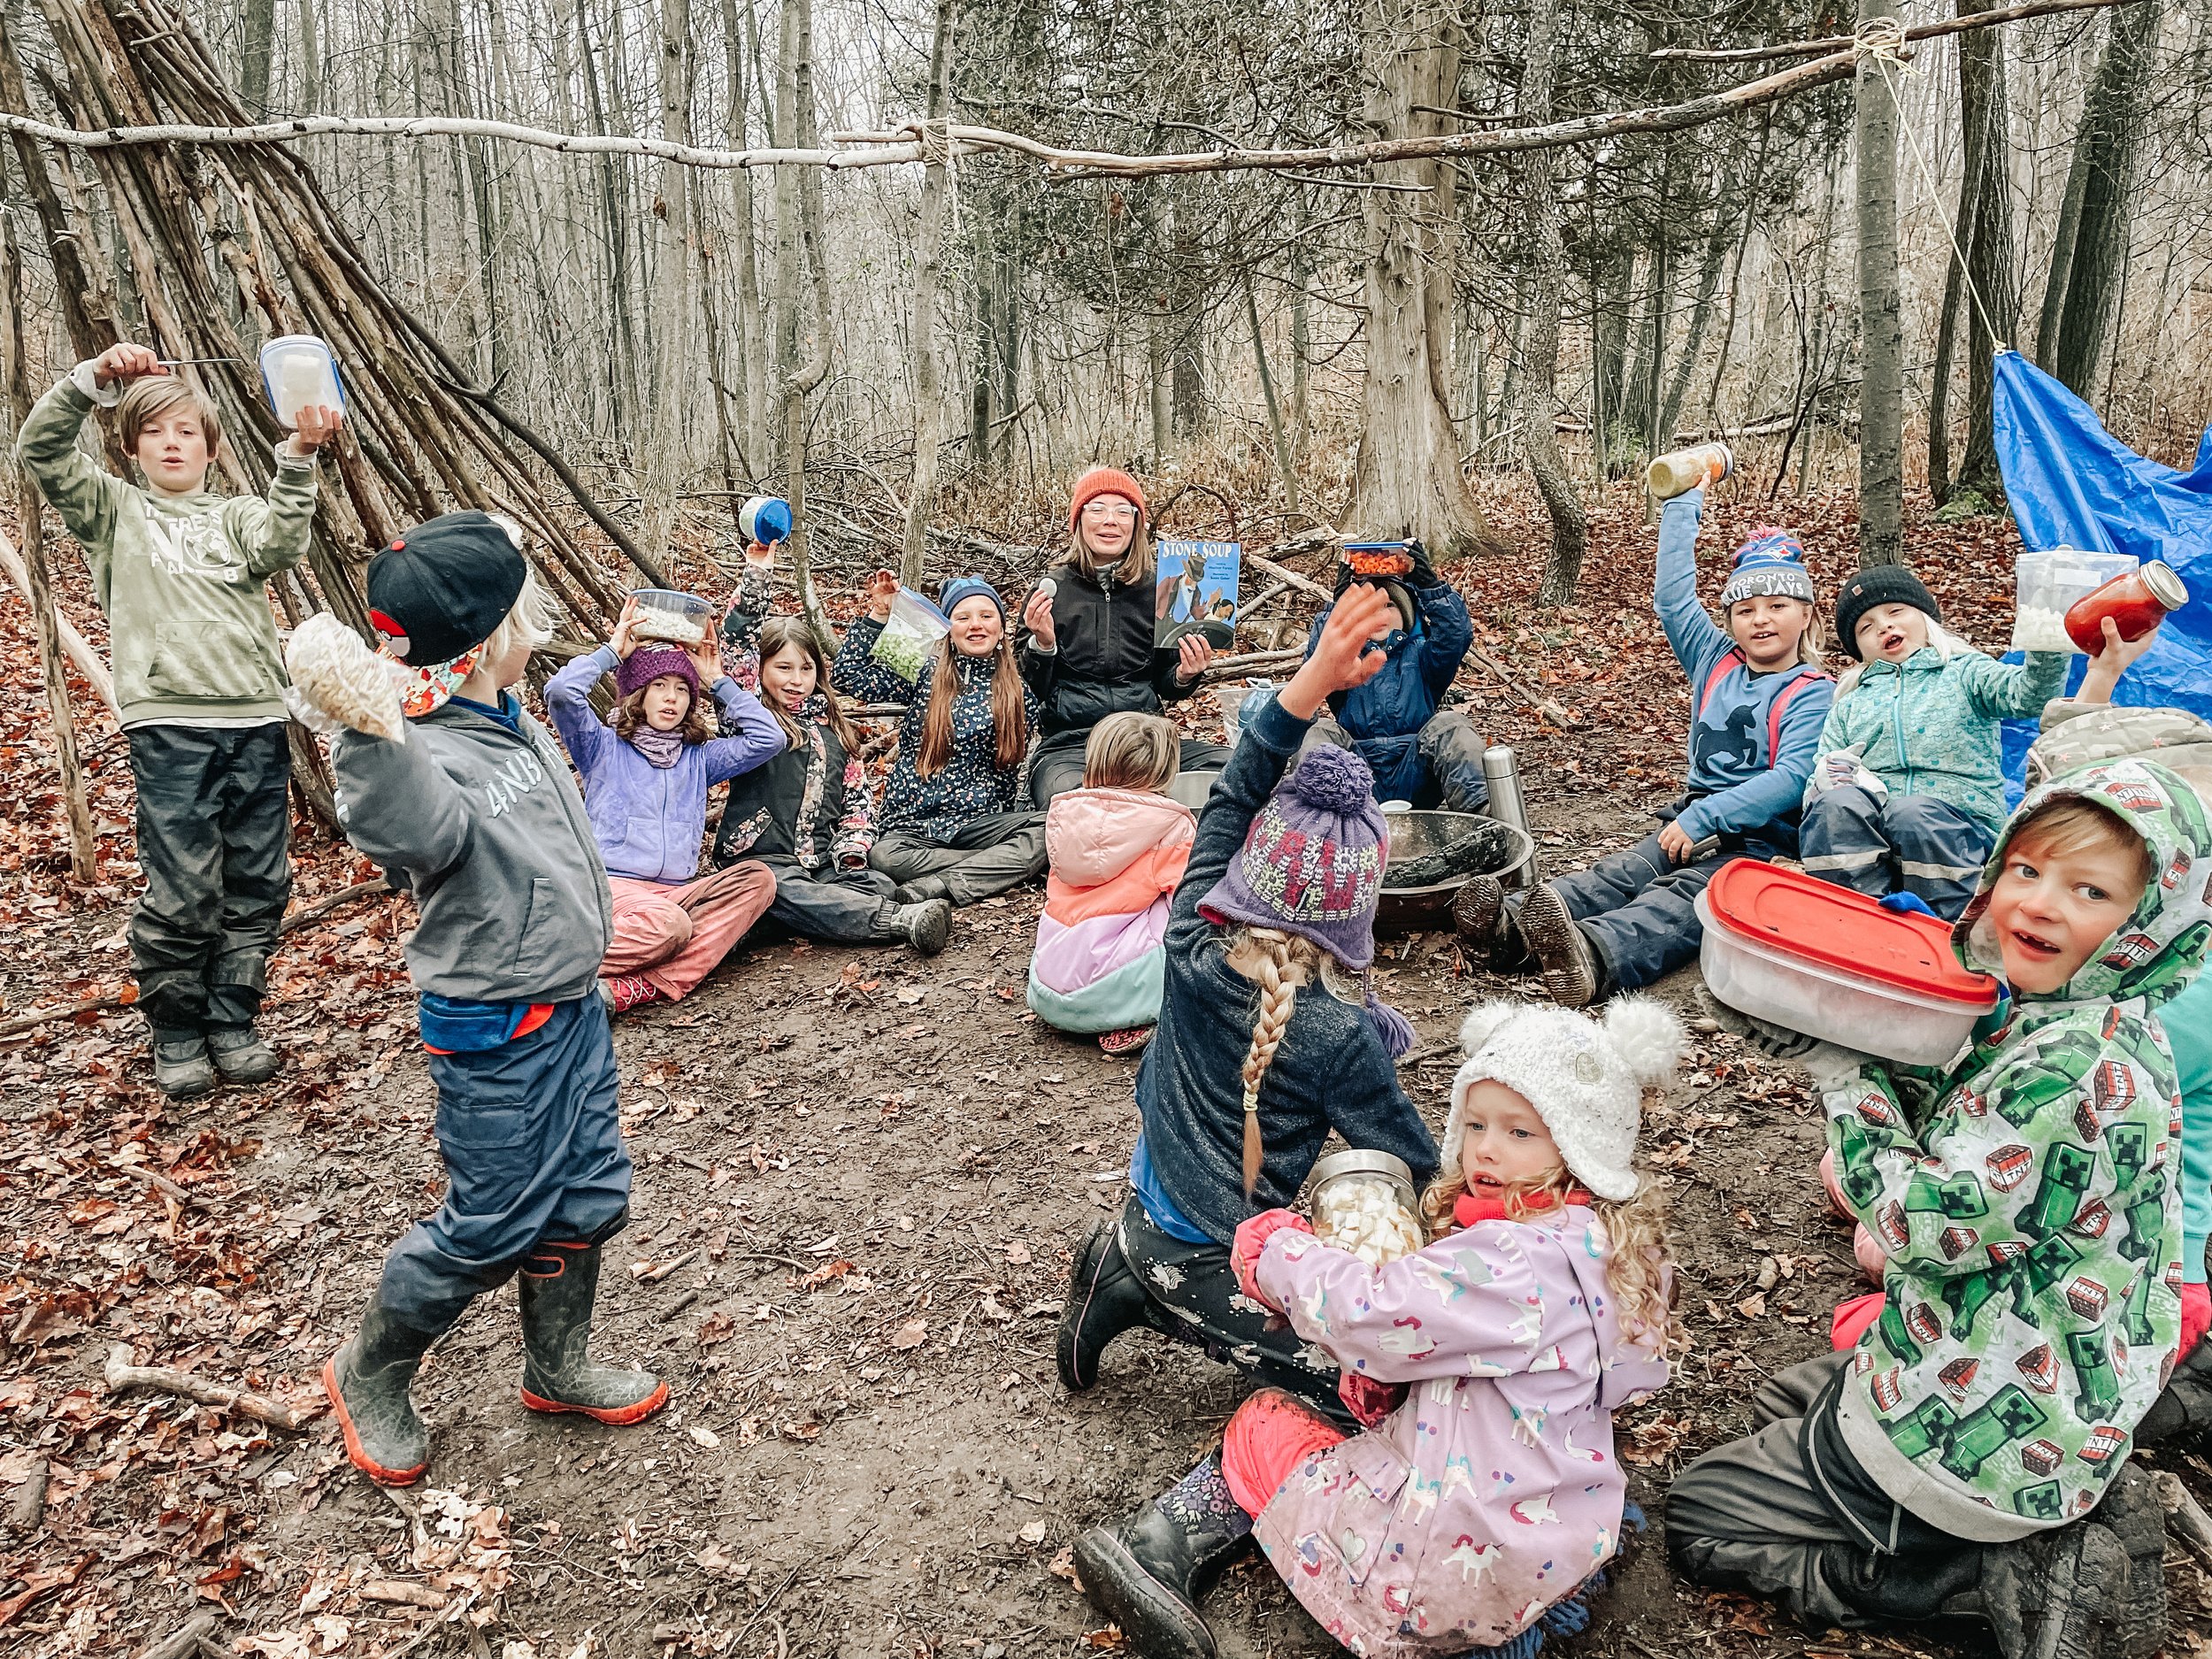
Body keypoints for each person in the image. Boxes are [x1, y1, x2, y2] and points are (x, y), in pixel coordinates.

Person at [1671, 756, 2210, 1656]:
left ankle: (1964, 1578)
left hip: (1989, 1422)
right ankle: (2043, 1511)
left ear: (2148, 923)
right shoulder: (2078, 1015)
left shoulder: (2076, 1070)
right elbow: (1957, 1113)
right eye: (2026, 869)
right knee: (1776, 1401)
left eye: (2088, 890)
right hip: (2024, 1374)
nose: (2037, 902)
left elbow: (1912, 1228)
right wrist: (1848, 1035)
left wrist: (1838, 1074)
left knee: (1699, 1516)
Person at [1072, 997, 1682, 1659]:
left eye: (1520, 1132)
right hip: (1558, 1539)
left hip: (1437, 1570)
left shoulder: (1507, 1260)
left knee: (1268, 1420)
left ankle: (1151, 1545)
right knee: (1365, 1406)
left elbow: (1365, 1309)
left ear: (1580, 1146)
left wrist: (1278, 1251)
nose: (1485, 1147)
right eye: (1476, 1123)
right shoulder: (1613, 1254)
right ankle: (1514, 1620)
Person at [285, 513, 666, 1486]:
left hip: (572, 1007)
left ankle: (558, 1363)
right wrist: (367, 723)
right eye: (522, 605)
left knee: (588, 1192)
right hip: (499, 1031)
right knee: (493, 1222)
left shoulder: (506, 711)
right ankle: (368, 1368)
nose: (536, 618)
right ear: (493, 631)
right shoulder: (423, 753)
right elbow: (397, 823)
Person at [1056, 582, 1439, 1414]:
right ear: (1358, 911)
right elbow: (1414, 1161)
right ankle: (1132, 1279)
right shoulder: (1342, 1037)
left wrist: (1308, 686)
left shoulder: (1192, 941)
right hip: (1210, 1258)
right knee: (1368, 1392)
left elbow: (1233, 792)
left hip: (1157, 1190)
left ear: (1247, 872)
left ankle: (1123, 1263)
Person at [17, 342, 342, 1098]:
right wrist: (91, 380)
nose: (172, 443)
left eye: (188, 431)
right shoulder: (114, 511)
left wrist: (297, 453)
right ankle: (176, 1029)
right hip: (169, 726)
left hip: (257, 721)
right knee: (185, 885)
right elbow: (41, 447)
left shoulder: (235, 517)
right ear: (130, 447)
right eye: (157, 431)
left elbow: (283, 538)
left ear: (209, 446)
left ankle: (233, 1020)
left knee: (258, 880)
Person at [1455, 488, 1832, 1006]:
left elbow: (1791, 778)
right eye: (1745, 609)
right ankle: (1509, 927)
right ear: (1729, 620)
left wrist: (1707, 820)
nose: (1760, 620)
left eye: (1777, 606)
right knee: (1623, 873)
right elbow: (1674, 599)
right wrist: (1682, 503)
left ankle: (1591, 954)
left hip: (1761, 842)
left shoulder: (1813, 691)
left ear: (1807, 614)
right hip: (1690, 818)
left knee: (1683, 901)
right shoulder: (1715, 659)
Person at [2022, 618, 2212, 1452]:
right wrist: (2098, 679)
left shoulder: (2155, 1009)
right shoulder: (2154, 947)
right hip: (2105, 1225)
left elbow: (2021, 1172)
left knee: (1881, 1235)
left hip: (2139, 1275)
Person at [543, 594, 784, 1013]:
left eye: (681, 690)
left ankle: (634, 987)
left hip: (675, 893)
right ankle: (550, 962)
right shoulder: (601, 747)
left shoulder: (698, 757)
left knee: (758, 880)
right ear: (637, 694)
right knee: (672, 927)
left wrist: (717, 680)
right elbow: (562, 692)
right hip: (612, 889)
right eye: (659, 687)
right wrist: (611, 654)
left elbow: (770, 738)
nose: (672, 699)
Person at [711, 547, 953, 954]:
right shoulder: (749, 717)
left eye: (806, 669)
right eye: (783, 668)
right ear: (761, 671)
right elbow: (737, 647)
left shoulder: (833, 730)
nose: (796, 680)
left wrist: (851, 851)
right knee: (777, 887)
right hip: (761, 863)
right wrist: (757, 575)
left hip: (822, 864)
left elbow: (857, 802)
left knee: (876, 881)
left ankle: (788, 918)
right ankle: (897, 919)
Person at [1798, 565, 2070, 918]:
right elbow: (1823, 768)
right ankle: (1852, 914)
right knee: (1835, 805)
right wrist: (1830, 780)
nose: (1884, 626)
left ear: (1926, 619)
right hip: (1876, 836)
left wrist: (2046, 639)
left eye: (1895, 612)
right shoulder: (1850, 703)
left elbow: (2031, 697)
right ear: (1859, 649)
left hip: (1958, 832)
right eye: (1866, 627)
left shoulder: (1966, 672)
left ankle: (1950, 923)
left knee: (1911, 812)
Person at [833, 572, 1047, 906]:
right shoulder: (923, 672)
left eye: (986, 615)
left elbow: (1009, 773)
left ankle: (940, 884)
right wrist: (879, 614)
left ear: (1002, 628)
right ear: (949, 630)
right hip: (913, 827)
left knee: (1053, 828)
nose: (975, 625)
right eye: (963, 617)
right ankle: (997, 867)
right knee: (884, 859)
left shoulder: (1019, 692)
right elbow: (849, 674)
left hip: (979, 824)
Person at [1021, 466, 1230, 807]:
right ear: (1079, 522)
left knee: (1235, 769)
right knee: (1070, 802)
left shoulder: (1160, 588)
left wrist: (1185, 673)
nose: (1110, 521)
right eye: (1098, 509)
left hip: (1145, 738)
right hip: (1073, 745)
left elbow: (1165, 683)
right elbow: (1029, 689)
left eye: (1123, 511)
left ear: (1136, 524)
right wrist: (1043, 645)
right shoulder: (1051, 589)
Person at [1026, 711, 1196, 1056]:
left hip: (1047, 989)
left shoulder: (1065, 817)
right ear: (1165, 773)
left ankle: (1109, 1010)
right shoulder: (1172, 825)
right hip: (1110, 992)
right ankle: (1134, 1015)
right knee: (1189, 912)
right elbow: (1191, 904)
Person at [1299, 541, 1488, 812]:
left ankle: (1485, 819)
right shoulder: (1345, 661)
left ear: (1407, 615)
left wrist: (1430, 587)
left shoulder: (1424, 656)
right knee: (1319, 732)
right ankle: (1314, 824)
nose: (1380, 615)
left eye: (1389, 605)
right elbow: (1317, 664)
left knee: (1451, 725)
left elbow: (1455, 636)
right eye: (1370, 608)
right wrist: (1337, 608)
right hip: (1354, 781)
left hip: (1416, 774)